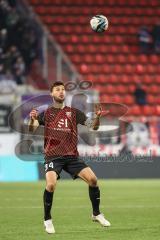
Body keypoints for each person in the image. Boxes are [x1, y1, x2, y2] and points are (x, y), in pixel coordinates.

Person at [29, 81, 111, 234]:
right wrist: (32, 119)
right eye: (57, 90)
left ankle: (96, 213)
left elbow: (93, 126)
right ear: (52, 94)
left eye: (63, 89)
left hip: (72, 156)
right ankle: (47, 219)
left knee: (93, 180)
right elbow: (32, 129)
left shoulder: (74, 113)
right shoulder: (47, 113)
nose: (61, 92)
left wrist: (98, 117)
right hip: (53, 155)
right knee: (51, 185)